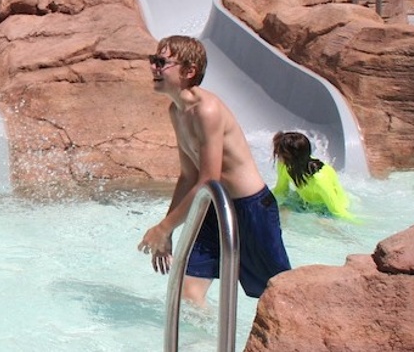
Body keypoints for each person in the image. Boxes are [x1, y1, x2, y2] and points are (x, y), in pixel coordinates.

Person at [137, 36, 291, 306]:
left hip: (250, 209)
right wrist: (168, 230)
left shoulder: (207, 110)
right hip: (213, 207)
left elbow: (209, 178)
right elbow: (189, 176)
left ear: (189, 71)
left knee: (276, 293)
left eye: (161, 62)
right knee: (188, 294)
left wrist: (163, 227)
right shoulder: (177, 111)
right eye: (153, 61)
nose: (153, 68)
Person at [271, 131, 356, 221]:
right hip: (304, 201)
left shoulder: (319, 179)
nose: (277, 156)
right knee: (280, 211)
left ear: (290, 157)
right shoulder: (284, 166)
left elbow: (338, 211)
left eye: (279, 153)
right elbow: (281, 191)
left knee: (321, 223)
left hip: (326, 207)